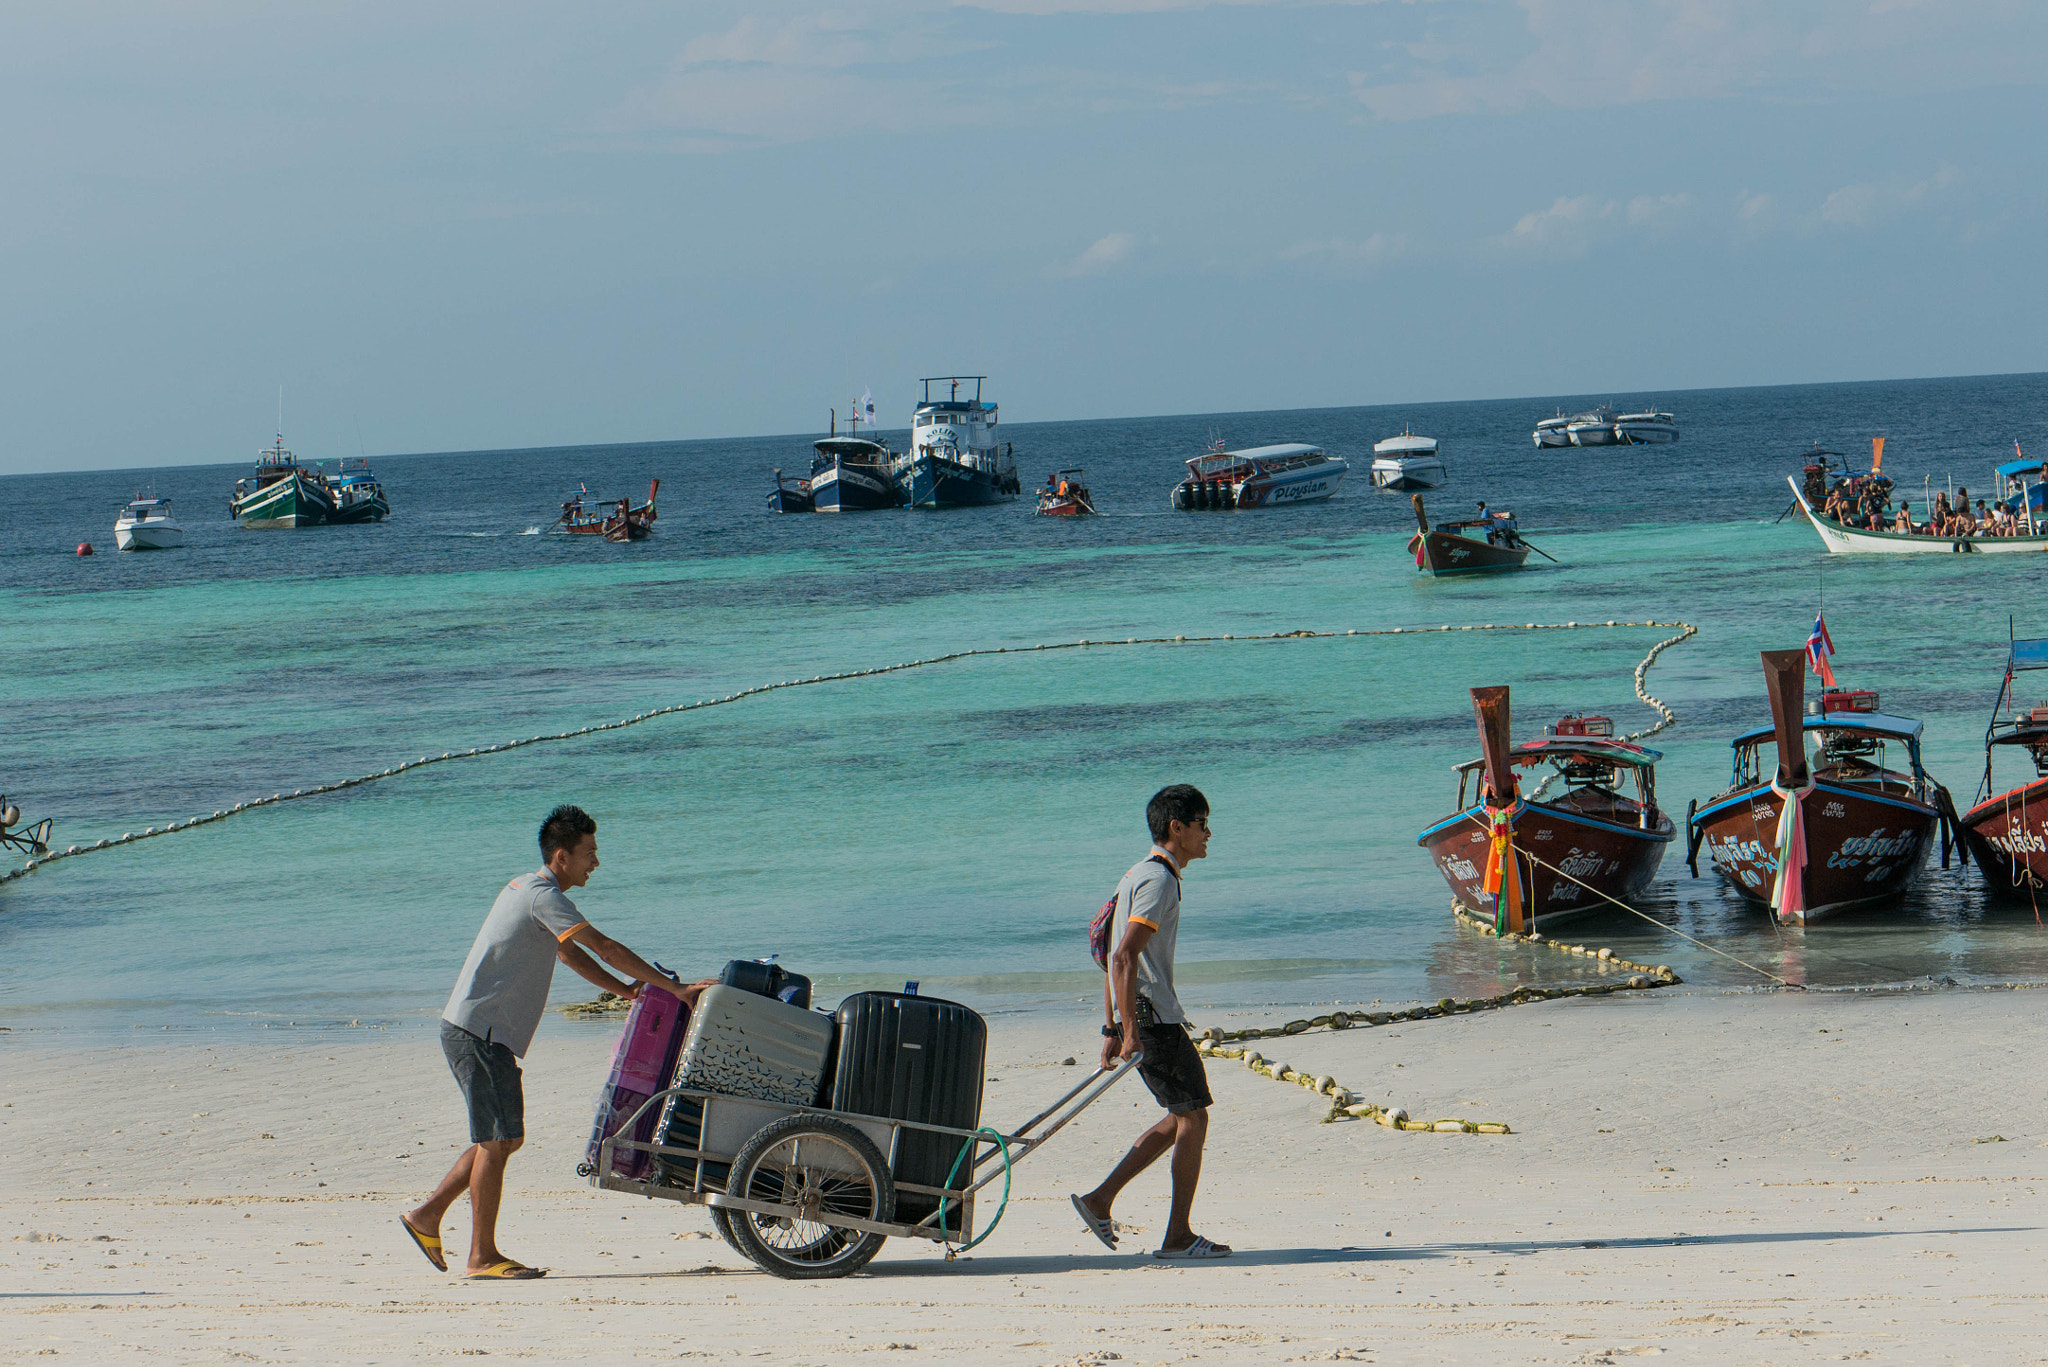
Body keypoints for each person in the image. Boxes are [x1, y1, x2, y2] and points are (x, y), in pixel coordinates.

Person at [402, 804, 705, 1280]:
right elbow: (603, 947)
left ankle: (427, 1216)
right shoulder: (543, 896)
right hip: (478, 1033)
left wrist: (624, 991)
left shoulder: (527, 888)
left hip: (479, 1032)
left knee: (502, 1139)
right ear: (562, 856)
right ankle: (481, 1256)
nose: (596, 863)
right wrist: (676, 990)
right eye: (589, 853)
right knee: (498, 1141)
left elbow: (568, 955)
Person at [1070, 784, 1231, 1260]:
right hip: (1153, 1017)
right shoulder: (1158, 880)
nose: (1209, 833)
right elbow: (1122, 956)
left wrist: (1111, 1027)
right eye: (1202, 823)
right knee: (1194, 1117)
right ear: (1176, 828)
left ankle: (1100, 1199)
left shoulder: (1136, 875)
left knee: (1182, 1115)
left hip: (1141, 1015)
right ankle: (1177, 1236)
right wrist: (1130, 1031)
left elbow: (1111, 955)